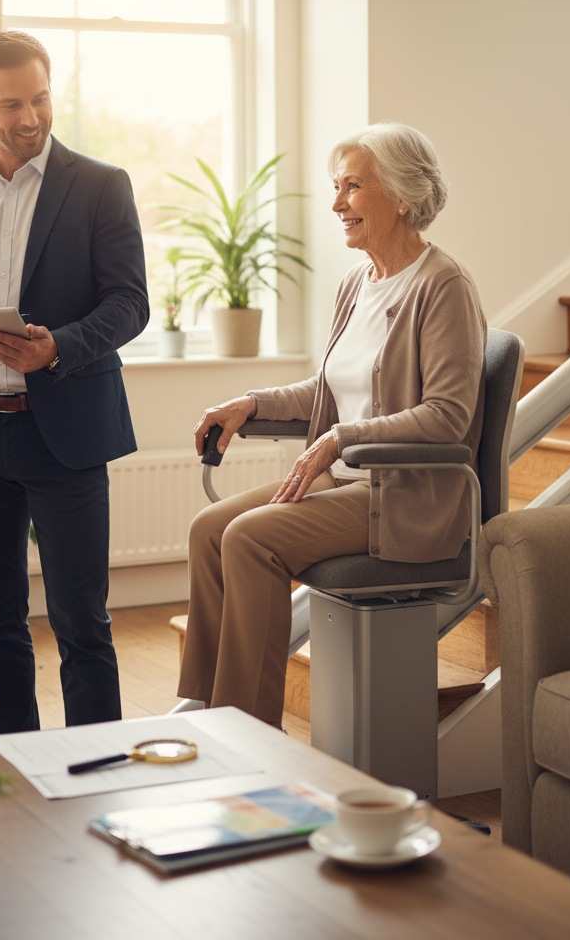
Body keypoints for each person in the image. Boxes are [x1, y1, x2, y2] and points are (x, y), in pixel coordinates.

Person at [177, 123, 487, 727]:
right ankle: (208, 710)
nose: (338, 203)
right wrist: (251, 404)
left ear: (402, 195)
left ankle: (245, 730)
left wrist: (341, 438)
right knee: (209, 529)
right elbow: (329, 389)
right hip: (346, 481)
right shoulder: (357, 282)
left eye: (353, 187)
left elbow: (449, 415)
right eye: (336, 187)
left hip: (404, 496)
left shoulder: (443, 285)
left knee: (250, 539)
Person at [0, 31, 148, 735]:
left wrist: (58, 348)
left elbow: (130, 303)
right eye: (11, 104)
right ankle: (16, 767)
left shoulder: (102, 184)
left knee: (82, 622)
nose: (31, 118)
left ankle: (96, 773)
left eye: (41, 99)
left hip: (66, 432)